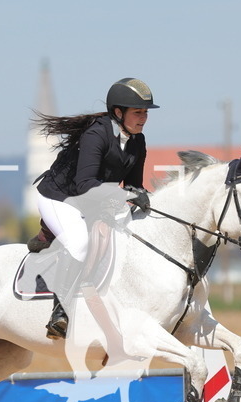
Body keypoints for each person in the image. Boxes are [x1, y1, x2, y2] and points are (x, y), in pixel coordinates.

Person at [30, 77, 158, 339]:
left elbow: (133, 185)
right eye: (138, 112)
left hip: (92, 200)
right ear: (118, 112)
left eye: (145, 112)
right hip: (60, 198)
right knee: (79, 243)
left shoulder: (138, 141)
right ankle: (60, 314)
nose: (143, 118)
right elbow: (86, 184)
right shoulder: (96, 134)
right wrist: (126, 194)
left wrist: (142, 196)